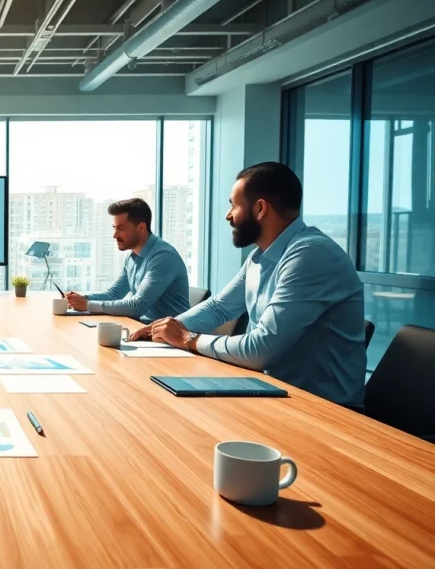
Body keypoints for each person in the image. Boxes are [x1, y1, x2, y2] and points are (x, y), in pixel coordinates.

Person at [132, 162, 366, 408]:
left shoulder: (310, 254)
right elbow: (219, 308)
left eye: (234, 205)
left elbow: (261, 349)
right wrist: (169, 327)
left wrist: (188, 338)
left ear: (260, 208)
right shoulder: (259, 257)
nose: (228, 215)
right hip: (272, 391)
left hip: (323, 410)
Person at [66, 198, 190, 322]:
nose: (115, 235)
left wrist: (87, 305)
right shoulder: (132, 256)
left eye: (121, 228)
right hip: (143, 329)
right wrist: (81, 299)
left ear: (141, 227)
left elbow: (138, 306)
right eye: (114, 228)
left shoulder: (163, 257)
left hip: (169, 337)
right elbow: (114, 294)